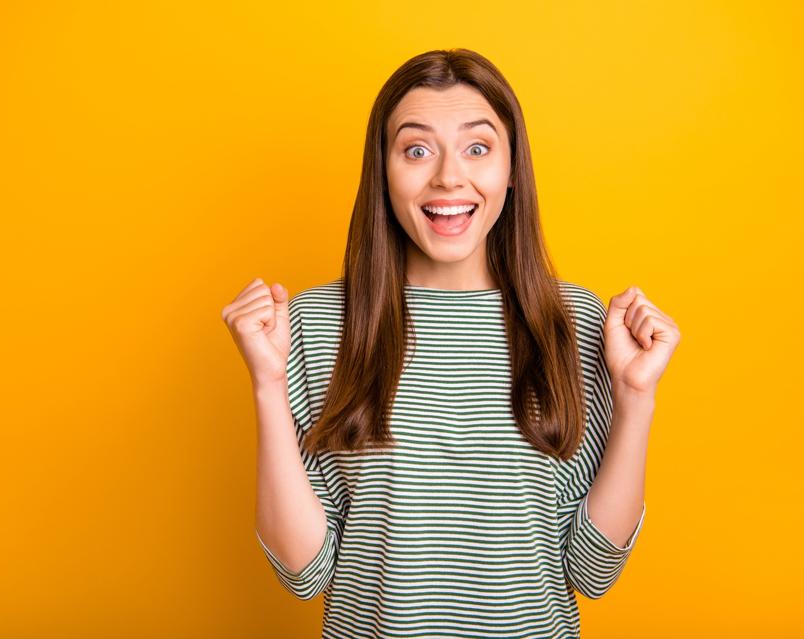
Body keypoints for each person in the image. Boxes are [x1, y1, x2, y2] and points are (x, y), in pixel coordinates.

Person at [222, 48, 680, 639]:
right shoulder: (315, 324)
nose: (447, 176)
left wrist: (637, 396)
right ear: (383, 171)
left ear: (513, 169)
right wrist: (265, 382)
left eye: (477, 147)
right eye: (416, 150)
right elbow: (303, 572)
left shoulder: (576, 323)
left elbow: (591, 570)